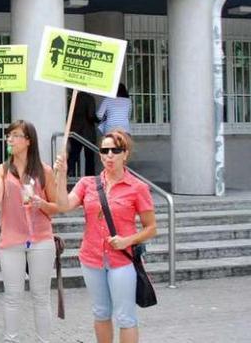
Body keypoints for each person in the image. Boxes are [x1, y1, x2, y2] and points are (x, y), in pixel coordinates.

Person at [53, 130, 157, 343]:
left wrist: (127, 240)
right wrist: (61, 174)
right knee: (100, 312)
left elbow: (151, 228)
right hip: (91, 258)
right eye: (105, 150)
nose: (109, 155)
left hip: (122, 260)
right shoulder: (87, 184)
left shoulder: (138, 188)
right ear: (100, 154)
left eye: (115, 150)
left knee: (125, 317)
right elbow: (63, 206)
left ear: (125, 154)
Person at [0, 120, 59, 343]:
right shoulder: (2, 169)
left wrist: (42, 204)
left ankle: (43, 340)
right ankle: (11, 339)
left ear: (28, 141)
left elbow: (57, 206)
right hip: (11, 239)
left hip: (41, 239)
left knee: (41, 296)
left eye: (16, 135)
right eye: (9, 135)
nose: (10, 139)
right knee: (12, 296)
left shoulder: (44, 170)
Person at [68, 91, 99, 177]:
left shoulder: (74, 98)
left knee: (73, 156)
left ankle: (68, 175)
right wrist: (99, 119)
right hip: (87, 132)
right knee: (89, 158)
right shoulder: (90, 98)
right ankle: (90, 178)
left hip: (75, 131)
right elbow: (91, 115)